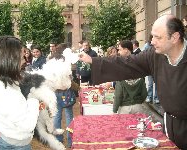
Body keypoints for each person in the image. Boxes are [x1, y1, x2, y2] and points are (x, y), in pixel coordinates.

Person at [79, 14, 187, 149]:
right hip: (170, 126)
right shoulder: (154, 55)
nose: (152, 41)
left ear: (175, 37)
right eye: (152, 36)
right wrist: (93, 61)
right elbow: (127, 64)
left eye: (157, 37)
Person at [0, 36, 40, 150]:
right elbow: (28, 124)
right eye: (21, 57)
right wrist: (33, 98)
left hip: (7, 139)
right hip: (12, 145)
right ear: (10, 60)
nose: (25, 61)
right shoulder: (4, 92)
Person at [50, 43, 80, 148]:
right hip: (65, 91)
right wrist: (78, 87)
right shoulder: (64, 62)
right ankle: (70, 141)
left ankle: (58, 140)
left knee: (57, 117)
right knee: (69, 117)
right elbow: (69, 80)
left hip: (55, 92)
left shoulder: (51, 61)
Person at [113, 40, 147, 114]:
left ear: (126, 50)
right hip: (138, 106)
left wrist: (114, 110)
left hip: (125, 107)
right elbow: (144, 92)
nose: (118, 52)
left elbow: (118, 94)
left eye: (120, 49)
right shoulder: (137, 61)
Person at [142, 35, 159, 104]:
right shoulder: (147, 45)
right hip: (150, 68)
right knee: (150, 84)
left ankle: (157, 98)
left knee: (158, 84)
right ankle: (149, 97)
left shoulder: (159, 45)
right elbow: (142, 55)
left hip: (158, 67)